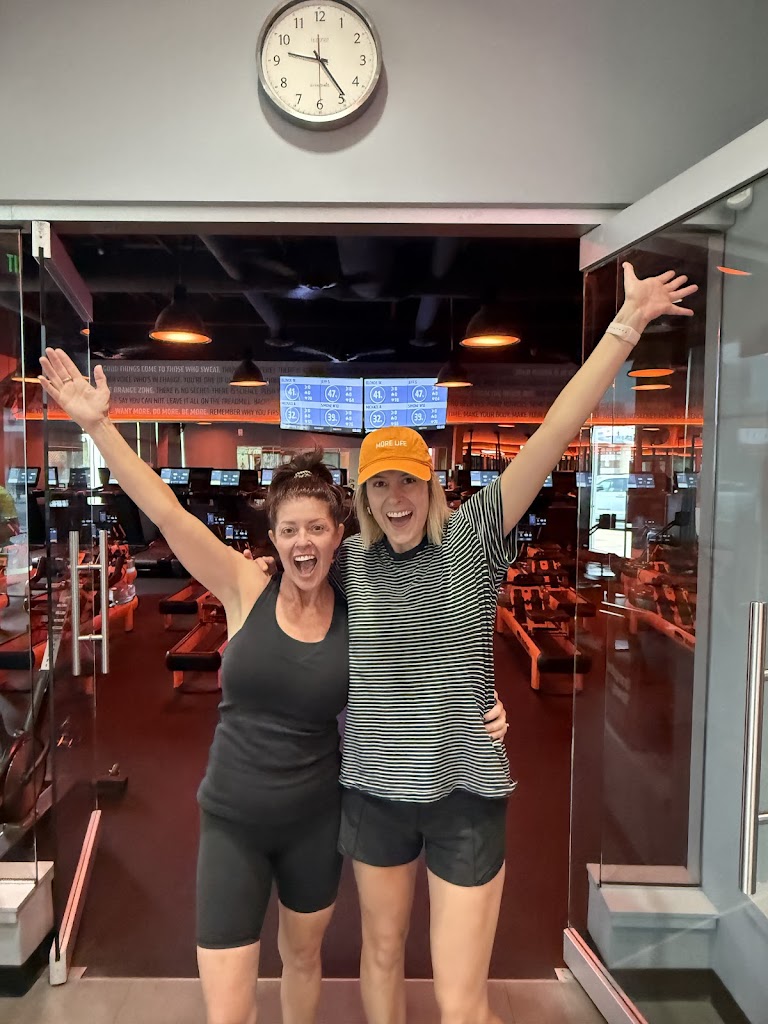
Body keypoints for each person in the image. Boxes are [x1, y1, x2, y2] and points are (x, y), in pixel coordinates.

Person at [36, 348, 507, 1024]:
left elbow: (425, 650)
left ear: (340, 535)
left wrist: (483, 704)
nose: (302, 542)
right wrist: (98, 426)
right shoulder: (244, 585)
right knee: (228, 1009)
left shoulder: (355, 597)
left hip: (317, 817)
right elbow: (167, 513)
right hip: (233, 815)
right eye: (289, 530)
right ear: (273, 537)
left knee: (303, 964)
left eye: (317, 528)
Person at [331, 263, 697, 1024]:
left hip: (466, 791)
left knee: (460, 997)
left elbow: (555, 431)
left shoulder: (474, 536)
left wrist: (626, 325)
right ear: (363, 495)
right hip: (372, 791)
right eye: (380, 485)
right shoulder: (347, 563)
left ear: (432, 486)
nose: (396, 498)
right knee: (381, 956)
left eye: (408, 482)